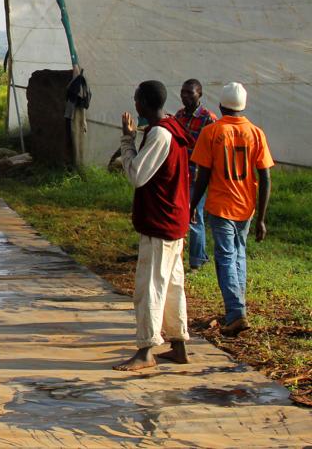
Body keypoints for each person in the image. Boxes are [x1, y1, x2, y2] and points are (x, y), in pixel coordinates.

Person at [114, 80, 191, 371]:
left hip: (159, 222)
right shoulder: (172, 127)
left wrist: (127, 141)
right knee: (172, 286)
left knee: (149, 288)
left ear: (144, 103)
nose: (135, 105)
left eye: (136, 100)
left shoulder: (160, 134)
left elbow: (137, 175)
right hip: (174, 219)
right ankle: (179, 345)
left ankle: (146, 350)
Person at [189, 82, 273, 337]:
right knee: (238, 255)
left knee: (226, 257)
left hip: (220, 206)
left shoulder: (213, 132)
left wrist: (192, 206)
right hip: (246, 207)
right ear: (243, 106)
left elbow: (202, 176)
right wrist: (261, 218)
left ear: (221, 105)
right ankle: (238, 308)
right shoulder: (256, 133)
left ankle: (236, 313)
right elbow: (266, 177)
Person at [173, 79, 217, 271]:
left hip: (197, 175)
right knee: (181, 214)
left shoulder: (208, 119)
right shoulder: (179, 115)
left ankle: (196, 261)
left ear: (200, 94)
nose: (185, 96)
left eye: (190, 93)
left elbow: (213, 150)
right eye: (183, 92)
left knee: (195, 216)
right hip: (180, 173)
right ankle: (193, 256)